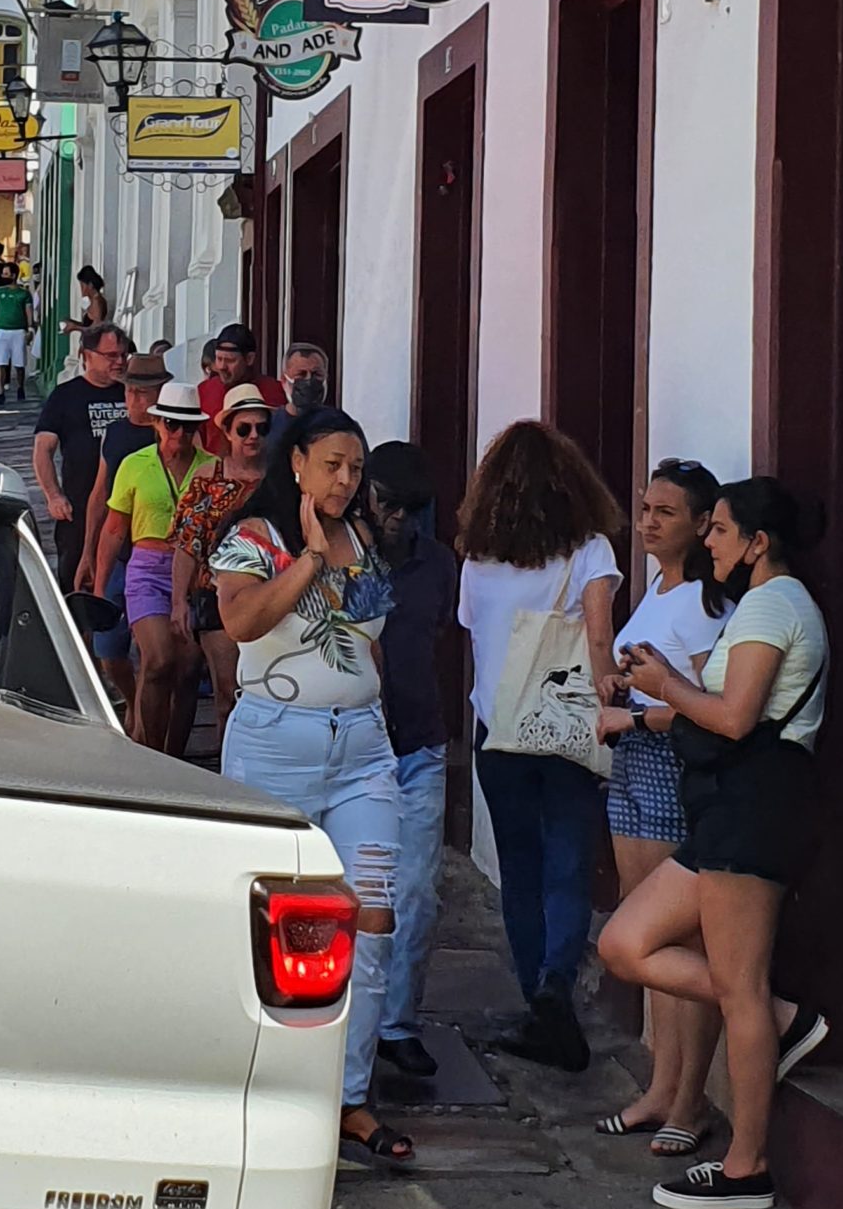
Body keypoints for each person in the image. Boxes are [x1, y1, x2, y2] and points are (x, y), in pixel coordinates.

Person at [599, 478, 830, 1209]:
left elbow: (733, 718)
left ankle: (745, 1166)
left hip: (756, 805)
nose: (711, 542)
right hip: (728, 810)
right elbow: (718, 711)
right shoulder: (766, 607)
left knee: (738, 986)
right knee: (625, 942)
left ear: (758, 543)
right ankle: (781, 1015)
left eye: (722, 530)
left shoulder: (773, 603)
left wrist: (667, 683)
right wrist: (657, 703)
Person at [211, 408, 411, 1168]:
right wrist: (307, 557)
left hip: (362, 746)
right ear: (295, 463)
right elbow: (241, 626)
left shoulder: (364, 543)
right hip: (275, 745)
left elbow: (368, 643)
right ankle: (265, 1079)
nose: (345, 480)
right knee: (274, 920)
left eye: (355, 469)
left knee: (372, 915)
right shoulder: (253, 540)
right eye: (332, 464)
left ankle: (348, 1098)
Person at [457, 421, 622, 1074]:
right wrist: (610, 706)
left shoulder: (478, 559)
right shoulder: (591, 550)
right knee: (567, 864)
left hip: (498, 729)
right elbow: (600, 638)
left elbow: (474, 633)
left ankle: (538, 1007)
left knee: (519, 871)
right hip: (565, 724)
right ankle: (557, 986)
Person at [593, 460, 731, 1157]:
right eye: (645, 507)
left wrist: (637, 719)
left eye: (665, 512)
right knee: (646, 938)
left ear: (704, 525)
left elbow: (707, 708)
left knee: (680, 939)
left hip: (670, 767)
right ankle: (660, 1085)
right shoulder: (657, 589)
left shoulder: (708, 606)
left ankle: (690, 1099)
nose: (647, 521)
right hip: (634, 769)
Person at [363, 442, 459, 1084]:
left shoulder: (440, 566)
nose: (400, 517)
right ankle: (352, 1022)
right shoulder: (345, 557)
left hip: (420, 743)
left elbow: (447, 641)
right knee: (359, 893)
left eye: (413, 508)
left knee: (418, 891)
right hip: (356, 747)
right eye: (389, 504)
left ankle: (398, 1024)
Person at [94, 383, 213, 754]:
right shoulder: (135, 464)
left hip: (195, 573)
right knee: (159, 658)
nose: (180, 434)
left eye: (188, 427)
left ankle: (173, 756)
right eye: (172, 425)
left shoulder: (210, 467)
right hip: (146, 566)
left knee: (190, 668)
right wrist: (99, 588)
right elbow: (114, 529)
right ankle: (149, 749)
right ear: (157, 423)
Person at [169, 382, 272, 743]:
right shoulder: (207, 478)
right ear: (227, 431)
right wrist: (178, 600)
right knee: (228, 693)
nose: (253, 436)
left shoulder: (282, 480)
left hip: (273, 595)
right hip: (216, 597)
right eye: (244, 428)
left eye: (262, 427)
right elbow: (188, 544)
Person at [76, 352, 164, 713]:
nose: (134, 400)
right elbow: (100, 494)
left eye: (143, 393)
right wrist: (87, 552)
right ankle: (133, 702)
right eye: (129, 391)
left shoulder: (170, 435)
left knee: (150, 649)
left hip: (153, 553)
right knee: (109, 650)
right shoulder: (115, 432)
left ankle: (143, 716)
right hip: (117, 552)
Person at [33, 323, 129, 589]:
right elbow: (43, 449)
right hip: (79, 510)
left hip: (128, 509)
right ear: (87, 355)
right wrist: (53, 495)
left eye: (123, 354)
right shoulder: (66, 396)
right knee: (76, 584)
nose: (119, 362)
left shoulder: (132, 393)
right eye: (111, 355)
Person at [198, 324, 284, 457]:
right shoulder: (204, 391)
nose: (221, 367)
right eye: (219, 359)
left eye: (230, 360)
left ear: (249, 359)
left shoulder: (273, 391)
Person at [267, 342, 330, 448]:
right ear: (284, 380)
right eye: (301, 374)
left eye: (317, 374)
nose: (308, 380)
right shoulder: (268, 426)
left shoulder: (342, 425)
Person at [0, 265, 35, 405]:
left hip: (18, 331)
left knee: (19, 364)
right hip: (1, 331)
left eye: (6, 273)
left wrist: (30, 329)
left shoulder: (24, 294)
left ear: (14, 276)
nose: (3, 276)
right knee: (0, 363)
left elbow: (29, 312)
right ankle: (1, 392)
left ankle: (20, 387)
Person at [65, 265, 108, 334]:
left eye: (82, 286)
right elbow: (88, 326)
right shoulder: (93, 301)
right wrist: (73, 323)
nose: (81, 289)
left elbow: (96, 328)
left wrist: (75, 327)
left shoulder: (97, 302)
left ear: (90, 285)